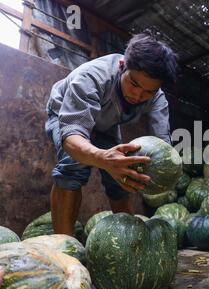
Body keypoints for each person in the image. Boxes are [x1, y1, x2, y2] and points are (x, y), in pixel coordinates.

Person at [44, 31, 178, 236]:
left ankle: (130, 240)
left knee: (123, 176)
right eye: (133, 83)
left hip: (106, 124)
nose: (138, 95)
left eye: (148, 91)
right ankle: (64, 246)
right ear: (123, 66)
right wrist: (102, 158)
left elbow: (163, 147)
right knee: (74, 166)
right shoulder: (91, 77)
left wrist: (166, 172)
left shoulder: (157, 98)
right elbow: (72, 138)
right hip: (65, 112)